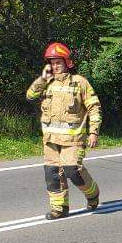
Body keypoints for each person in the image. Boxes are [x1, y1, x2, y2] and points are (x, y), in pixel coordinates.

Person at [26, 42, 102, 218]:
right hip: (51, 140)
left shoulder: (80, 83)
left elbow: (94, 108)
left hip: (73, 140)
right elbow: (30, 95)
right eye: (52, 63)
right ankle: (59, 208)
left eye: (58, 62)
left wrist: (93, 132)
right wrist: (42, 79)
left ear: (67, 62)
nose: (55, 66)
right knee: (52, 174)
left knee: (72, 171)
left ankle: (93, 194)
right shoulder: (47, 83)